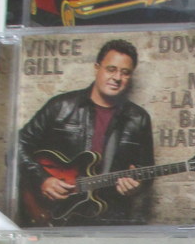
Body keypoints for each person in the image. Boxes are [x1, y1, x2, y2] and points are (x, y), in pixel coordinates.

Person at [17, 39, 154, 225]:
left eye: (125, 72)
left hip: (109, 218)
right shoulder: (61, 106)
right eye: (111, 69)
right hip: (57, 215)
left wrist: (136, 186)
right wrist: (42, 179)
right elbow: (17, 145)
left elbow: (147, 171)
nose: (117, 77)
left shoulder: (139, 118)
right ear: (97, 68)